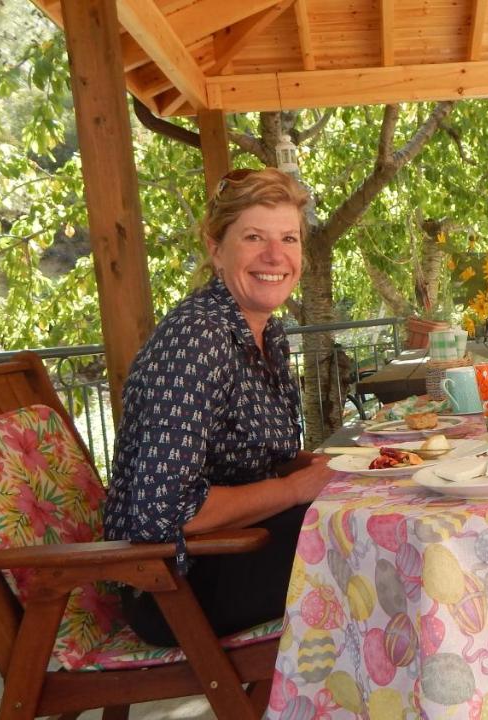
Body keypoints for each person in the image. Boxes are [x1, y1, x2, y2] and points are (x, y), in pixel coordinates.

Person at [104, 168, 334, 646]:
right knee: (371, 546)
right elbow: (162, 511)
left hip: (232, 551)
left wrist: (324, 469)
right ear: (215, 246)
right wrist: (294, 488)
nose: (276, 256)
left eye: (288, 238)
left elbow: (252, 462)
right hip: (176, 586)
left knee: (366, 514)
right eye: (254, 237)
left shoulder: (265, 331)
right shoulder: (198, 336)